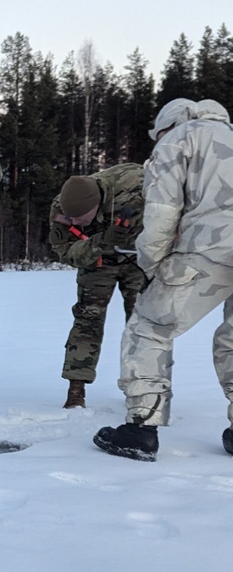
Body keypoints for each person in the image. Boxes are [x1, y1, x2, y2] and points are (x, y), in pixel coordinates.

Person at [94, 98, 233, 461]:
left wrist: (152, 263)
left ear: (165, 126)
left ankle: (140, 428)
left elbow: (161, 212)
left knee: (149, 327)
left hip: (209, 248)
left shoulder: (179, 140)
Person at [49, 165, 146, 408]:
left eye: (80, 218)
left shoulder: (138, 185)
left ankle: (144, 387)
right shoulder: (62, 207)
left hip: (141, 260)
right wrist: (102, 241)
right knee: (87, 320)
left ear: (96, 205)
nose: (74, 222)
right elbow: (68, 253)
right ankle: (76, 389)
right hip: (97, 261)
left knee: (143, 324)